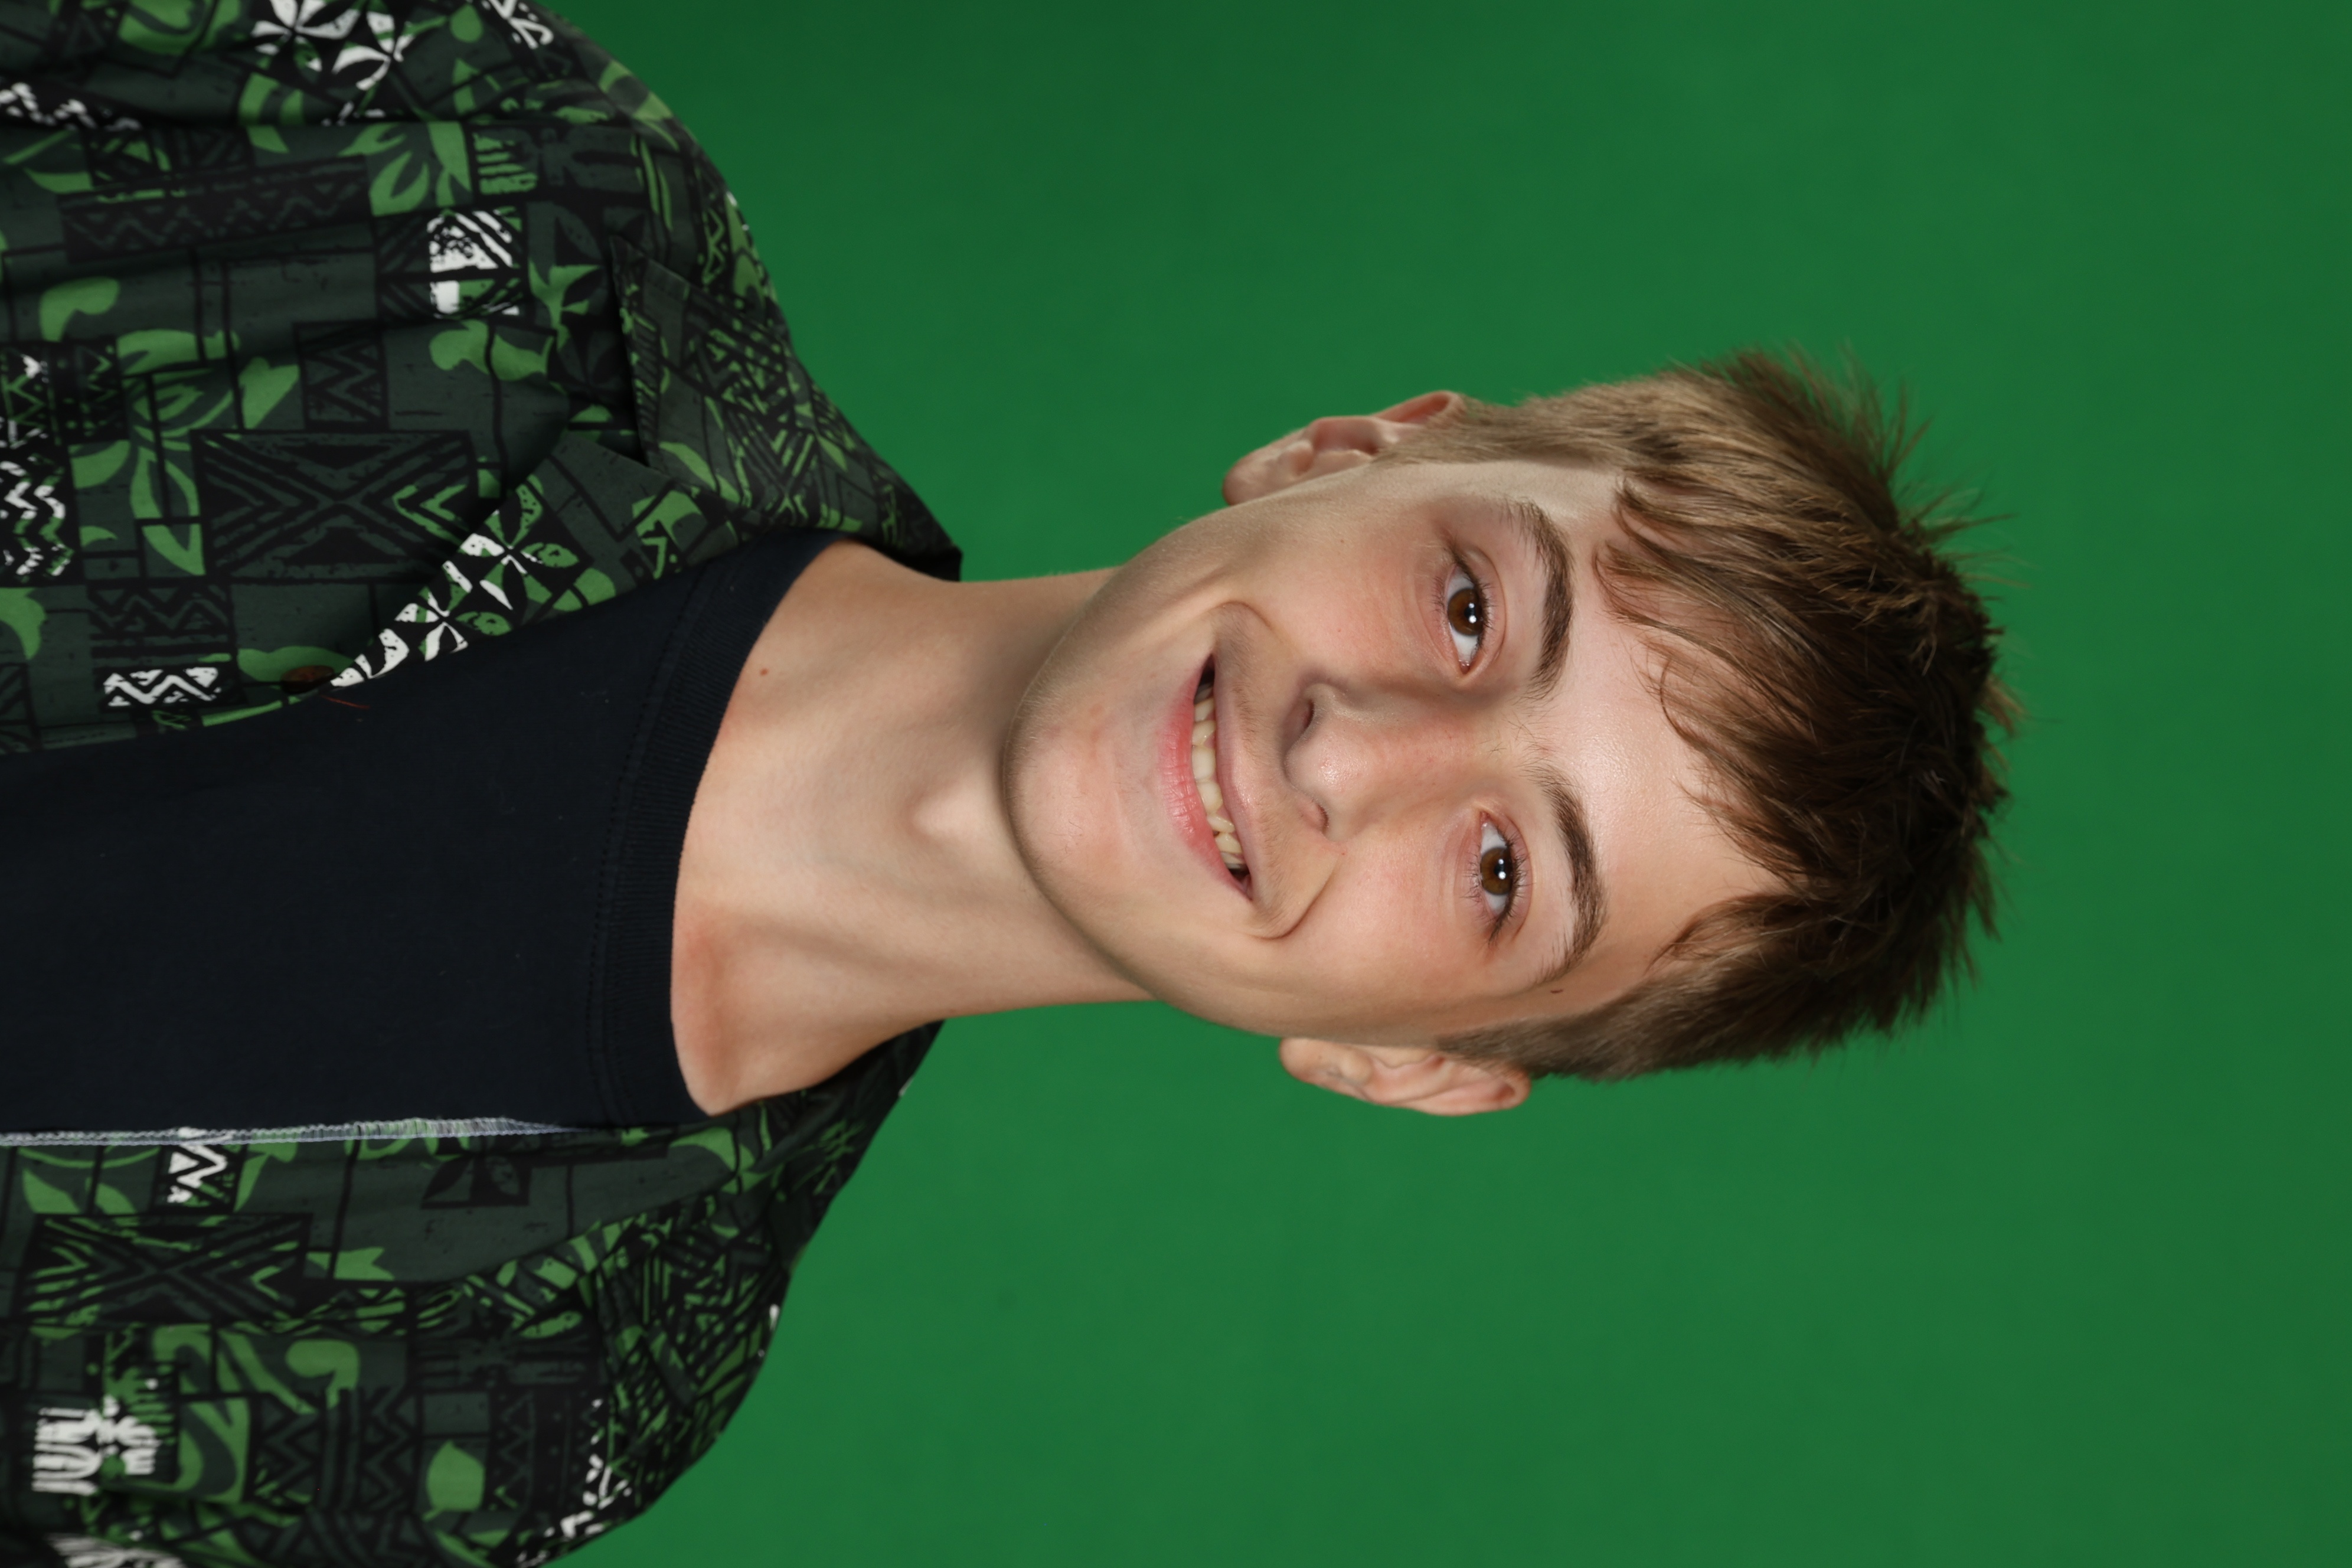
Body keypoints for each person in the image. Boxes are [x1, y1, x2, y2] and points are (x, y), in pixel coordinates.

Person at [0, 2, 2010, 1565]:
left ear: (1418, 1061)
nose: (1350, 747)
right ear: (1353, 451)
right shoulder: (522, 201)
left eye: (1501, 872)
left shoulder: (557, 1391)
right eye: (1473, 606)